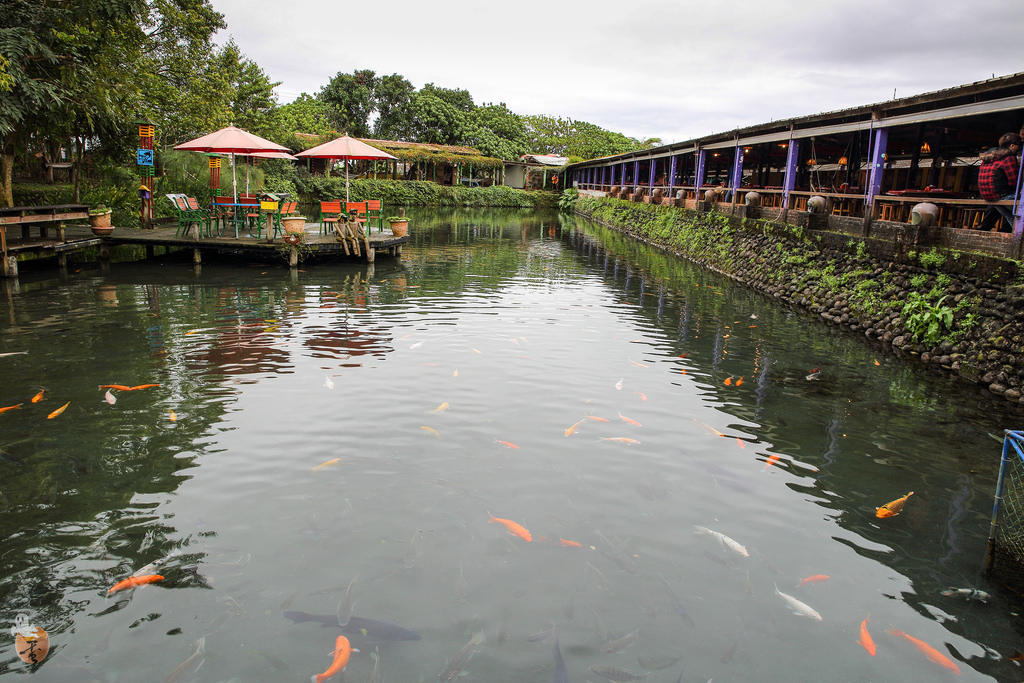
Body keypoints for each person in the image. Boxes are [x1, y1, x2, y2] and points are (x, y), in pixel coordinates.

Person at [978, 132, 1021, 232]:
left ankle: (1015, 238)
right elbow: (1014, 181)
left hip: (988, 196)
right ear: (1012, 145)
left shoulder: (988, 157)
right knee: (1018, 211)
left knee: (1011, 218)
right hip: (1002, 195)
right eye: (1018, 147)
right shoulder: (1009, 158)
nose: (1018, 150)